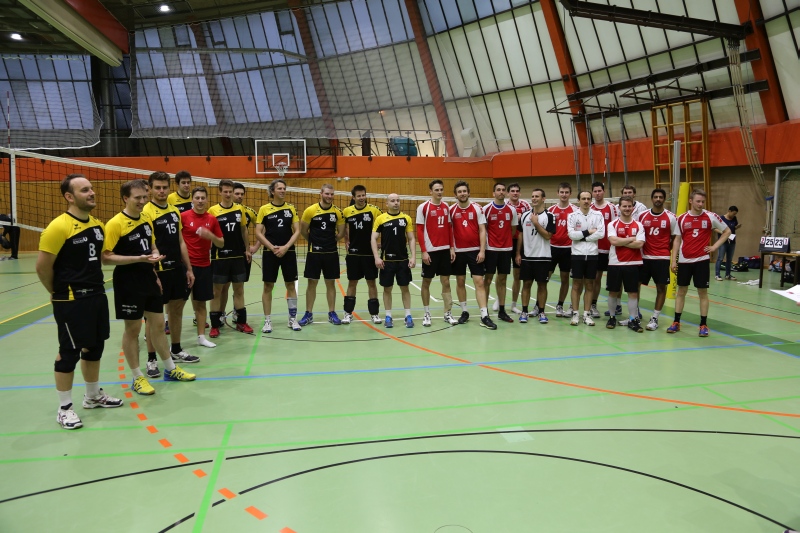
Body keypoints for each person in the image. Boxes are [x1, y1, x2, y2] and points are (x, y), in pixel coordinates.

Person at [37, 174, 123, 429]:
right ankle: (64, 408)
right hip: (71, 299)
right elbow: (42, 267)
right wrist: (57, 292)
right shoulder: (58, 227)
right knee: (69, 353)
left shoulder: (97, 225)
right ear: (69, 197)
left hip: (96, 295)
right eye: (85, 190)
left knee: (94, 347)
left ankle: (93, 396)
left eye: (91, 188)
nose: (92, 193)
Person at [102, 179, 196, 396]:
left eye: (145, 197)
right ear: (125, 198)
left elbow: (152, 245)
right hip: (128, 282)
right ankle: (137, 377)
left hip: (149, 278)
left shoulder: (145, 219)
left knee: (158, 325)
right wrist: (139, 258)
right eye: (138, 198)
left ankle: (170, 369)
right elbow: (106, 258)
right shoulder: (115, 223)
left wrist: (154, 262)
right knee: (133, 330)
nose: (143, 201)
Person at [143, 172, 200, 380]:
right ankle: (151, 359)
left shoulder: (175, 211)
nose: (161, 191)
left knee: (176, 310)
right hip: (157, 271)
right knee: (153, 318)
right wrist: (153, 272)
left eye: (164, 187)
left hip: (176, 269)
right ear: (150, 189)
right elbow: (148, 245)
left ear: (169, 188)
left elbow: (181, 241)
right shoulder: (146, 212)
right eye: (157, 187)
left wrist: (189, 268)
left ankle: (176, 349)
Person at [669, 190, 730, 337]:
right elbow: (677, 240)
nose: (701, 204)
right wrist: (673, 260)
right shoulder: (682, 218)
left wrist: (715, 247)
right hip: (684, 260)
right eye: (698, 201)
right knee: (681, 291)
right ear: (690, 201)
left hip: (701, 261)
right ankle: (676, 322)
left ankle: (703, 324)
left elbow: (727, 231)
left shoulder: (710, 216)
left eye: (703, 201)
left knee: (702, 292)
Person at [255, 179, 302, 333]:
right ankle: (267, 321)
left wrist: (286, 247)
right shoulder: (264, 209)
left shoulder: (291, 208)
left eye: (284, 188)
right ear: (272, 191)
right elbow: (258, 232)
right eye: (279, 188)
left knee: (291, 285)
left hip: (288, 252)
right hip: (270, 253)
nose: (283, 190)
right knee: (268, 286)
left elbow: (297, 230)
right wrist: (272, 247)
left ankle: (292, 319)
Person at [208, 179, 254, 338]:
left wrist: (247, 249)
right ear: (220, 192)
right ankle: (215, 325)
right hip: (219, 257)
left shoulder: (240, 209)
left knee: (239, 290)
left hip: (237, 256)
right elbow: (210, 234)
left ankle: (241, 322)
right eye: (225, 192)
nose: (228, 194)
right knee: (217, 291)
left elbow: (243, 230)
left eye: (230, 191)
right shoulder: (213, 210)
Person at [449, 181, 496, 330]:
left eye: (464, 191)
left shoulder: (477, 208)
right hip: (458, 252)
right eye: (459, 192)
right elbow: (449, 231)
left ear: (468, 192)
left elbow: (482, 230)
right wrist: (451, 248)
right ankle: (464, 311)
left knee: (479, 282)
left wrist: (482, 250)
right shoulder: (451, 210)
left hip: (475, 251)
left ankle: (484, 315)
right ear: (455, 194)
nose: (462, 194)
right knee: (460, 281)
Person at [181, 186, 224, 347]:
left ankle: (201, 337)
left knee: (201, 303)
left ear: (207, 200)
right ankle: (175, 342)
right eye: (197, 198)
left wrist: (210, 235)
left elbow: (221, 243)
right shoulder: (183, 217)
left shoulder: (212, 219)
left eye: (202, 198)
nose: (200, 201)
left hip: (204, 266)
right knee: (177, 305)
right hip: (185, 266)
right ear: (192, 199)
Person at [299, 184, 345, 326]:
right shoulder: (310, 210)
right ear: (321, 193)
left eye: (332, 194)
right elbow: (303, 231)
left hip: (331, 253)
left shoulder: (337, 212)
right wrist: (314, 241)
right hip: (314, 253)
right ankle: (308, 313)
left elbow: (341, 233)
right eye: (327, 193)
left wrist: (331, 241)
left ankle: (332, 313)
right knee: (312, 283)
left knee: (330, 283)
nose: (329, 196)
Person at [416, 179, 458, 326]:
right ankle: (427, 313)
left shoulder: (446, 207)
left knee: (446, 282)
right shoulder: (423, 207)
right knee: (426, 282)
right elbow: (419, 230)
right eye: (436, 190)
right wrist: (424, 251)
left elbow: (449, 228)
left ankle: (447, 313)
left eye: (441, 189)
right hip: (431, 251)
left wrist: (451, 247)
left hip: (444, 250)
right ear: (430, 191)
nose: (439, 192)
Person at [371, 193, 416, 328]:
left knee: (405, 288)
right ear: (387, 204)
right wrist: (377, 257)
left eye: (397, 200)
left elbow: (411, 238)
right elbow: (373, 238)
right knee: (387, 289)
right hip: (387, 261)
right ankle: (388, 316)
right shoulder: (380, 219)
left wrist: (413, 256)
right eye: (392, 201)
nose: (396, 203)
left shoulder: (406, 218)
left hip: (403, 260)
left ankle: (408, 315)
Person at [342, 185, 383, 325]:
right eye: (358, 196)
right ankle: (348, 313)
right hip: (353, 254)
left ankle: (374, 313)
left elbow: (384, 225)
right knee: (352, 282)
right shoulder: (347, 211)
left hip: (369, 254)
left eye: (363, 195)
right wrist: (346, 239)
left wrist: (380, 243)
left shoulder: (374, 210)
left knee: (371, 283)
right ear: (353, 197)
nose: (361, 198)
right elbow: (343, 227)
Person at [637, 188, 677, 331]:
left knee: (661, 288)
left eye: (661, 197)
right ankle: (634, 314)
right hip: (644, 257)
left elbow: (674, 237)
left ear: (664, 199)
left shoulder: (671, 217)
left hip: (661, 258)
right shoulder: (642, 216)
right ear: (652, 199)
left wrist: (667, 251)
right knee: (635, 285)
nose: (658, 199)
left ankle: (654, 318)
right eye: (656, 197)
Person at [605, 196, 646, 333]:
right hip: (615, 263)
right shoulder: (612, 224)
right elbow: (613, 241)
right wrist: (631, 239)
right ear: (619, 208)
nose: (627, 209)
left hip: (634, 263)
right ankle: (612, 317)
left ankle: (633, 320)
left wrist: (621, 241)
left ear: (633, 208)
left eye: (629, 206)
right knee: (613, 292)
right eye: (624, 206)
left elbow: (639, 244)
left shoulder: (638, 225)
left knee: (633, 293)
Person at [516, 188, 556, 324]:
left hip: (543, 257)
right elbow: (520, 235)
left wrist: (536, 222)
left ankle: (541, 312)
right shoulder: (524, 216)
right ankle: (524, 311)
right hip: (527, 257)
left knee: (542, 285)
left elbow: (548, 236)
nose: (534, 198)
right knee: (526, 284)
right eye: (532, 196)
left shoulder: (550, 216)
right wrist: (518, 253)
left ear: (543, 199)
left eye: (537, 196)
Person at [568, 190, 605, 326]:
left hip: (592, 254)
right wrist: (588, 232)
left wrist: (582, 237)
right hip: (577, 254)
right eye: (583, 198)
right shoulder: (572, 215)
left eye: (588, 198)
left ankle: (586, 314)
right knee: (576, 284)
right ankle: (575, 314)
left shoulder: (598, 215)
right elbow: (571, 235)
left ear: (591, 200)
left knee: (590, 284)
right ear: (579, 200)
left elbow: (601, 234)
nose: (586, 201)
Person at [483, 183, 518, 323]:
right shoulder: (486, 209)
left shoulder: (511, 210)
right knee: (487, 280)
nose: (501, 192)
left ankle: (502, 311)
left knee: (502, 280)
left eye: (503, 190)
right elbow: (483, 229)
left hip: (506, 250)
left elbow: (513, 230)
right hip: (490, 249)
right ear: (494, 193)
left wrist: (505, 241)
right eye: (498, 190)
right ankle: (484, 311)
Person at [548, 182, 579, 318]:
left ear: (570, 194)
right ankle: (539, 305)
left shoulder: (575, 211)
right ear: (558, 193)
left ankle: (560, 305)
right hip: (552, 248)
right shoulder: (551, 210)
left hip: (568, 249)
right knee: (545, 277)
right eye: (562, 192)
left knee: (565, 278)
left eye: (566, 192)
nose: (564, 195)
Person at [590, 181, 620, 318]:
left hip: (610, 250)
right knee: (595, 278)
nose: (597, 193)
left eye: (599, 191)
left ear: (604, 191)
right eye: (595, 191)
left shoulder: (612, 208)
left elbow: (616, 226)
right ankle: (593, 305)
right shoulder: (590, 207)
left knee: (614, 279)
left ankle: (616, 305)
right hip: (594, 249)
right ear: (592, 193)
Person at [504, 183, 530, 314]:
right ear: (508, 193)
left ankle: (513, 304)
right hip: (505, 242)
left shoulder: (526, 205)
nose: (515, 193)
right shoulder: (504, 205)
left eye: (517, 191)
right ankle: (499, 299)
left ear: (519, 193)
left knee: (517, 275)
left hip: (520, 242)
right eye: (512, 191)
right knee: (502, 274)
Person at [233, 182, 259, 283]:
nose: (240, 196)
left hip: (243, 252)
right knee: (223, 286)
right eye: (237, 194)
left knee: (240, 285)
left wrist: (256, 247)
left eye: (242, 194)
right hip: (225, 252)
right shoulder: (219, 210)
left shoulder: (249, 211)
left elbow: (263, 229)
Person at [714, 205, 741, 281]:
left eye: (735, 214)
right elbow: (715, 228)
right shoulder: (721, 218)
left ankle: (728, 274)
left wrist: (737, 227)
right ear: (729, 211)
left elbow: (733, 227)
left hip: (732, 241)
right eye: (733, 213)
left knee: (729, 259)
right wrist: (723, 232)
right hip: (723, 241)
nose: (734, 215)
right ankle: (717, 275)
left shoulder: (734, 218)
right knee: (720, 258)